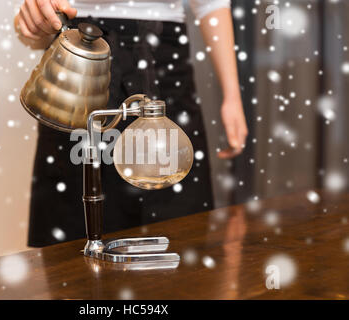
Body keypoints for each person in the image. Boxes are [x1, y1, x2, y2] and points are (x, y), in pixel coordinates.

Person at [14, 0, 248, 247]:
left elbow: (210, 4)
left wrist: (232, 95)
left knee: (180, 236)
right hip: (77, 61)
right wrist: (33, 23)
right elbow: (29, 22)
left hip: (164, 63)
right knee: (71, 239)